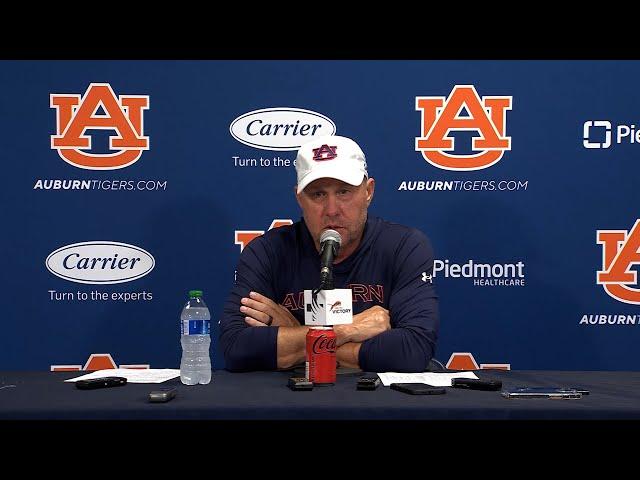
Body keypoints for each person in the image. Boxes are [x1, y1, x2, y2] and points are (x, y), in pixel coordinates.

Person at [219, 135, 439, 373]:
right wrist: (347, 331)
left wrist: (293, 333)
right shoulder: (267, 252)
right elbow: (236, 349)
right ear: (299, 198)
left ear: (368, 192)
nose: (332, 210)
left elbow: (412, 351)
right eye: (318, 195)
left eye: (344, 192)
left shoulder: (403, 247)